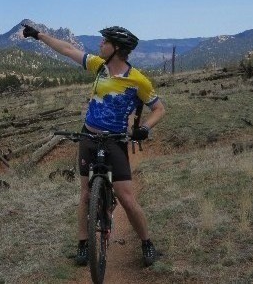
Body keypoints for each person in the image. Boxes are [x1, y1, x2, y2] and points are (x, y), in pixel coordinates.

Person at [22, 22, 165, 268]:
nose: (100, 44)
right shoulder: (99, 66)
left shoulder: (137, 80)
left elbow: (159, 109)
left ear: (116, 48)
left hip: (115, 141)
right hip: (88, 136)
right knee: (86, 194)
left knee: (127, 198)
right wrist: (39, 35)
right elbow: (67, 49)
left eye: (104, 42)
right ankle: (83, 244)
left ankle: (147, 243)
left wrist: (144, 129)